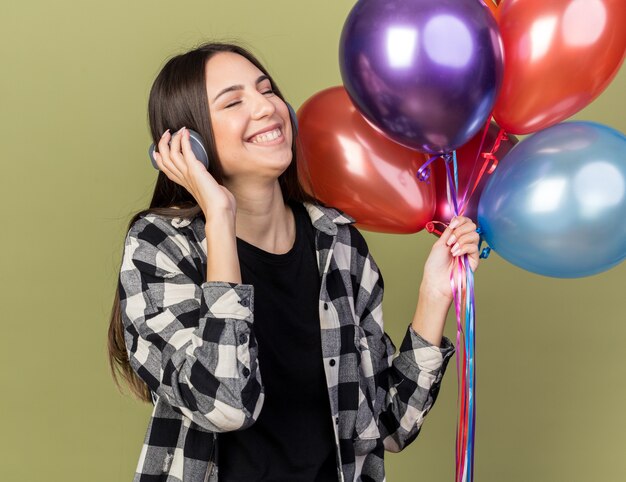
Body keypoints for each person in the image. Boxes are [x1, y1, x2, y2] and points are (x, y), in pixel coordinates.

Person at [107, 41, 481, 482]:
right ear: (188, 144)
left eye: (267, 91)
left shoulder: (338, 242)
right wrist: (219, 217)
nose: (266, 107)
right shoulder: (159, 245)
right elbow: (224, 404)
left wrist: (434, 294)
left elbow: (389, 424)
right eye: (234, 101)